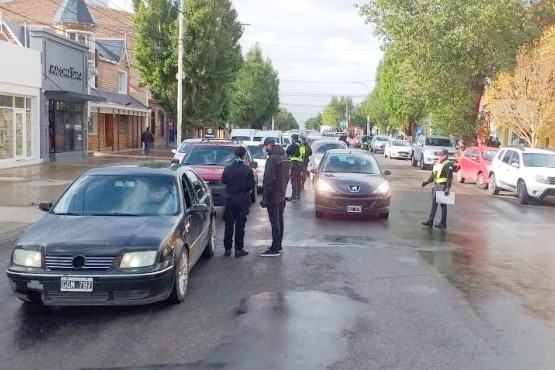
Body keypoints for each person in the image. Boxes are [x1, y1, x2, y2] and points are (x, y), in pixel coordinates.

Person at [221, 146, 255, 257]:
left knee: (228, 225)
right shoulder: (247, 170)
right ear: (245, 155)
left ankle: (227, 249)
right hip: (242, 201)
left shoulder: (228, 168)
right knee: (240, 226)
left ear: (235, 155)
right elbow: (251, 185)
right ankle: (238, 249)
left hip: (230, 200)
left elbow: (224, 181)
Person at [259, 137, 290, 257]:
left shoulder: (272, 159)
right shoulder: (284, 156)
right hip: (281, 193)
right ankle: (279, 246)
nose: (264, 149)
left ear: (269, 146)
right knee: (280, 221)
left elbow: (268, 179)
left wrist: (265, 197)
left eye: (265, 146)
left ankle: (275, 248)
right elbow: (287, 177)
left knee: (274, 222)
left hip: (273, 194)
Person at [421, 149, 454, 229]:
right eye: (439, 155)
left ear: (445, 155)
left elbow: (449, 177)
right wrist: (427, 182)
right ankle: (430, 221)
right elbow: (433, 176)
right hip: (436, 186)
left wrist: (447, 188)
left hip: (443, 186)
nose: (439, 156)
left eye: (440, 155)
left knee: (443, 205)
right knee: (434, 204)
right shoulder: (437, 164)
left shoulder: (448, 164)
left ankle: (443, 223)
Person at [285, 133, 305, 200]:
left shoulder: (294, 145)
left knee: (293, 180)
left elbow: (287, 151)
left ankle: (294, 195)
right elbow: (303, 155)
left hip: (295, 164)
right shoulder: (302, 145)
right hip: (300, 164)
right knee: (298, 180)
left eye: (291, 138)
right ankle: (298, 195)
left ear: (293, 138)